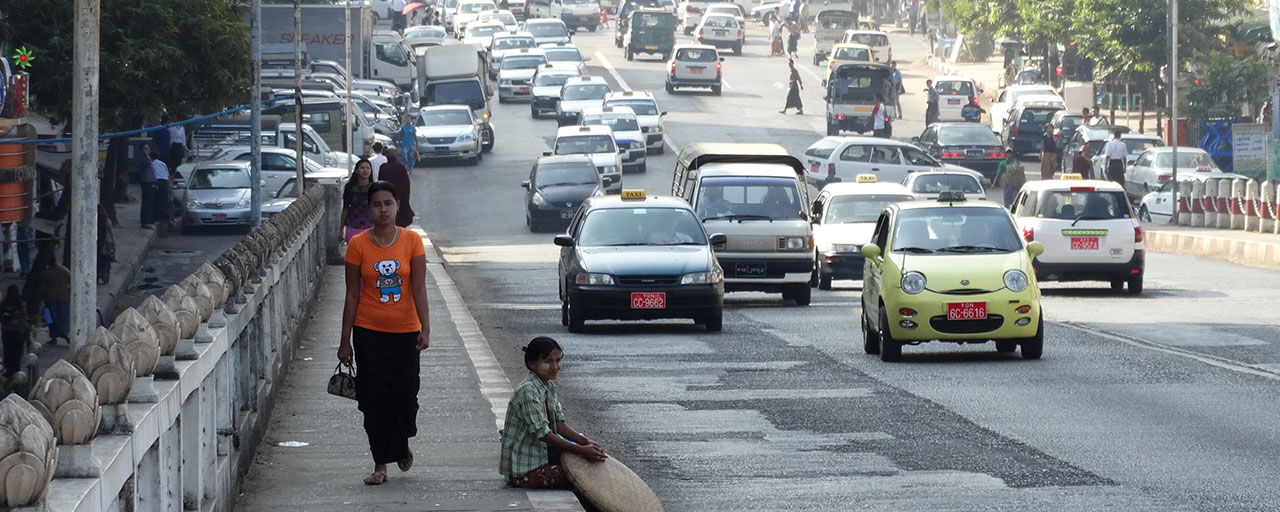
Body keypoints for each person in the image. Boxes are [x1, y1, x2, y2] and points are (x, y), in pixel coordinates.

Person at [338, 181, 430, 486]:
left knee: (405, 396)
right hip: (368, 332)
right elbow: (352, 294)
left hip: (405, 333)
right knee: (374, 400)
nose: (383, 210)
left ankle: (401, 441)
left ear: (398, 205)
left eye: (388, 204)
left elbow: (418, 287)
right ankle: (380, 463)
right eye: (377, 205)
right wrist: (344, 341)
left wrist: (425, 328)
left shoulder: (412, 242)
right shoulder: (358, 245)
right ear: (369, 208)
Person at [499, 337, 607, 489]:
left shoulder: (548, 387)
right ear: (532, 364)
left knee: (591, 462)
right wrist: (579, 449)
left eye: (558, 360)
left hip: (545, 457)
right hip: (524, 469)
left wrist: (586, 443)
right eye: (548, 361)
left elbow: (559, 424)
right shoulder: (527, 391)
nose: (555, 366)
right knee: (580, 476)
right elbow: (543, 433)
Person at [341, 159, 376, 243]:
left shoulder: (375, 188)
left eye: (368, 168)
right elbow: (345, 208)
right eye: (362, 168)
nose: (365, 170)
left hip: (371, 227)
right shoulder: (350, 188)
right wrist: (341, 229)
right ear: (356, 170)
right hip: (353, 226)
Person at [378, 153, 416, 228]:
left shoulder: (383, 167)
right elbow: (406, 184)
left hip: (387, 196)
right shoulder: (401, 167)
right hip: (401, 198)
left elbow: (381, 182)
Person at [0, 285, 28, 377]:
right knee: (17, 352)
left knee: (8, 352)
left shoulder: (4, 304)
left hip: (7, 331)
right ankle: (17, 371)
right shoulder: (21, 304)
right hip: (18, 332)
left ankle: (8, 370)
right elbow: (25, 317)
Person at [42, 259, 70, 344]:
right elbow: (71, 279)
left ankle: (54, 337)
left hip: (51, 298)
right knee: (63, 317)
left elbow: (43, 287)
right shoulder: (64, 269)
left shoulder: (47, 272)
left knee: (51, 318)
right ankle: (64, 334)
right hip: (64, 297)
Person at [136, 143, 157, 229]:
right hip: (146, 182)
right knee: (146, 202)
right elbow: (147, 163)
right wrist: (146, 155)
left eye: (148, 148)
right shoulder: (143, 159)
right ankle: (145, 221)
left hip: (151, 181)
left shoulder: (149, 158)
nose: (147, 150)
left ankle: (150, 219)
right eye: (145, 148)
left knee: (151, 201)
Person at [149, 150, 172, 225]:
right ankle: (166, 217)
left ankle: (157, 217)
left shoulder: (151, 164)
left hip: (157, 182)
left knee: (156, 200)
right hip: (164, 182)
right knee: (164, 199)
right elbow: (167, 176)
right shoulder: (162, 164)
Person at [97, 205, 115, 285]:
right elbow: (111, 233)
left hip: (99, 244)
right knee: (107, 262)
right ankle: (105, 276)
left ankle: (98, 274)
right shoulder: (107, 221)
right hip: (107, 244)